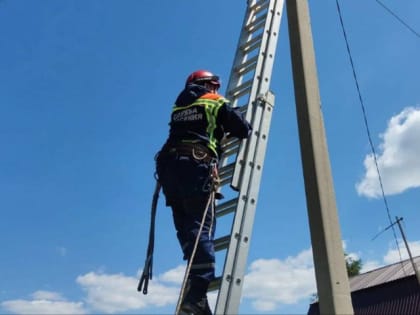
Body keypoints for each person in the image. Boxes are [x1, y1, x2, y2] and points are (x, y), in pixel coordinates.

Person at [155, 70, 251, 315]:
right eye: (214, 85)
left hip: (170, 170)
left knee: (187, 231)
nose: (217, 90)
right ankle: (196, 295)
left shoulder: (178, 107)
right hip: (195, 166)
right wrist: (237, 117)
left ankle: (197, 298)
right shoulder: (213, 101)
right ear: (206, 84)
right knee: (201, 229)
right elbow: (242, 129)